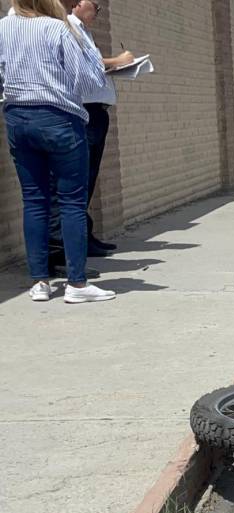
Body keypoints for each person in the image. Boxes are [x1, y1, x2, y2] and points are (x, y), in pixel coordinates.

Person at [0, 0, 115, 302]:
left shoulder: (3, 27)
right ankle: (76, 284)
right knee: (71, 202)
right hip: (59, 119)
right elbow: (88, 79)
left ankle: (40, 282)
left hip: (17, 118)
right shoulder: (58, 29)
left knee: (34, 200)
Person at [69, 0, 130, 253]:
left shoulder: (84, 30)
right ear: (77, 4)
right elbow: (85, 65)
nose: (97, 12)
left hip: (96, 111)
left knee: (90, 177)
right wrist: (118, 60)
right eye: (95, 6)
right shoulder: (69, 27)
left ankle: (86, 234)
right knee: (83, 177)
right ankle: (77, 240)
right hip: (87, 111)